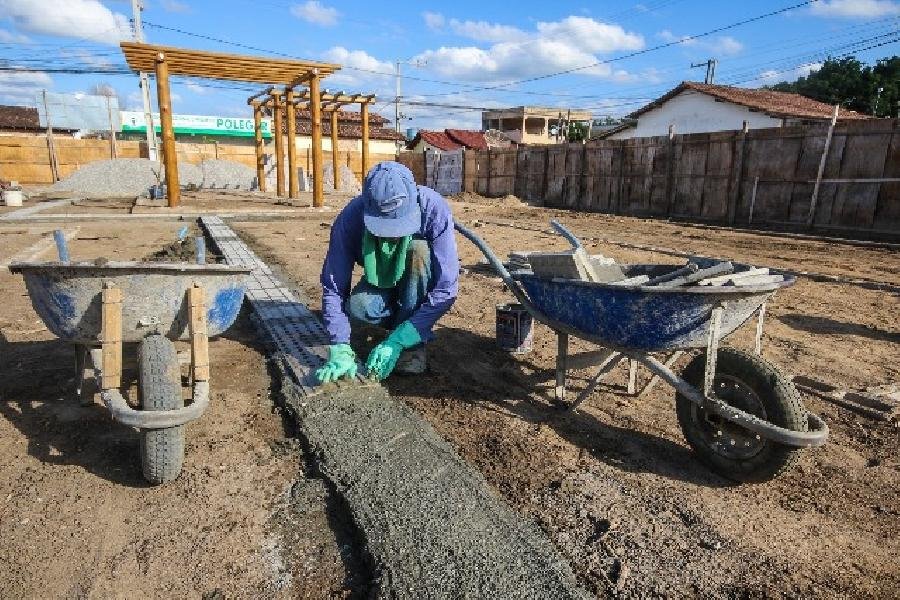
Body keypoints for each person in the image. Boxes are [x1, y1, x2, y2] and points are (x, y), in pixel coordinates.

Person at [316, 161, 459, 383]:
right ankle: (398, 328)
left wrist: (401, 339)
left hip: (417, 278)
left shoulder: (432, 208)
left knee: (418, 250)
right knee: (359, 307)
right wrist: (339, 345)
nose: (393, 234)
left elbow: (446, 288)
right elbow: (334, 287)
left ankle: (410, 344)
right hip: (381, 279)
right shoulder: (350, 219)